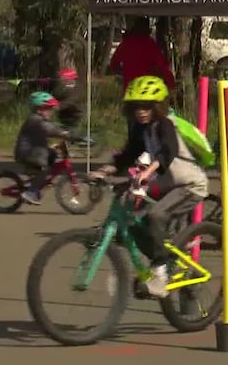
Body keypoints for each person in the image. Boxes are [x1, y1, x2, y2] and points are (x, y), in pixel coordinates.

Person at [88, 76, 208, 297]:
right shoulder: (142, 129)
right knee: (132, 220)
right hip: (168, 184)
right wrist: (106, 170)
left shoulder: (166, 125)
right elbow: (128, 155)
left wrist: (148, 171)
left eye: (146, 107)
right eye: (136, 107)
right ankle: (162, 256)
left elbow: (168, 152)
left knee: (156, 215)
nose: (141, 112)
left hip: (189, 184)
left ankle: (160, 272)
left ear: (157, 106)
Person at [13, 92, 80, 205]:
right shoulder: (35, 120)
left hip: (36, 151)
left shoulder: (40, 120)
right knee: (43, 171)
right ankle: (30, 193)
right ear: (39, 109)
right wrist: (64, 134)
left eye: (51, 109)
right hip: (27, 152)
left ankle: (38, 181)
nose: (51, 111)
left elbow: (48, 131)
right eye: (48, 108)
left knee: (52, 154)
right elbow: (49, 130)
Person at [107, 17, 175, 96]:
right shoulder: (150, 44)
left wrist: (126, 72)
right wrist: (171, 85)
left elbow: (114, 64)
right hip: (147, 91)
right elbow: (163, 67)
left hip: (130, 90)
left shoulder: (126, 44)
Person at [54, 68, 83, 135]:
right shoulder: (62, 88)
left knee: (72, 132)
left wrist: (58, 106)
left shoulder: (76, 89)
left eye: (63, 77)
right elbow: (56, 95)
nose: (61, 79)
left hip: (74, 116)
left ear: (69, 79)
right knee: (63, 130)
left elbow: (70, 101)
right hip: (63, 115)